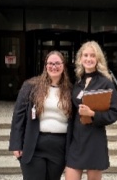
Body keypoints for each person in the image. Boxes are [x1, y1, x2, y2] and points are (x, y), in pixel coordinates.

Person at [9, 50, 72, 180]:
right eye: (50, 63)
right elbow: (18, 116)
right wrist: (16, 144)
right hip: (34, 144)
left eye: (57, 63)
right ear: (45, 66)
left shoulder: (71, 90)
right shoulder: (30, 86)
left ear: (63, 66)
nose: (54, 67)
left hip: (59, 147)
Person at [65, 41, 117, 180]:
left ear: (98, 59)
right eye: (85, 55)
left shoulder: (106, 82)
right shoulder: (78, 82)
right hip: (77, 139)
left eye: (92, 55)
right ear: (80, 58)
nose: (88, 59)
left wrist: (92, 114)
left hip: (94, 139)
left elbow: (115, 112)